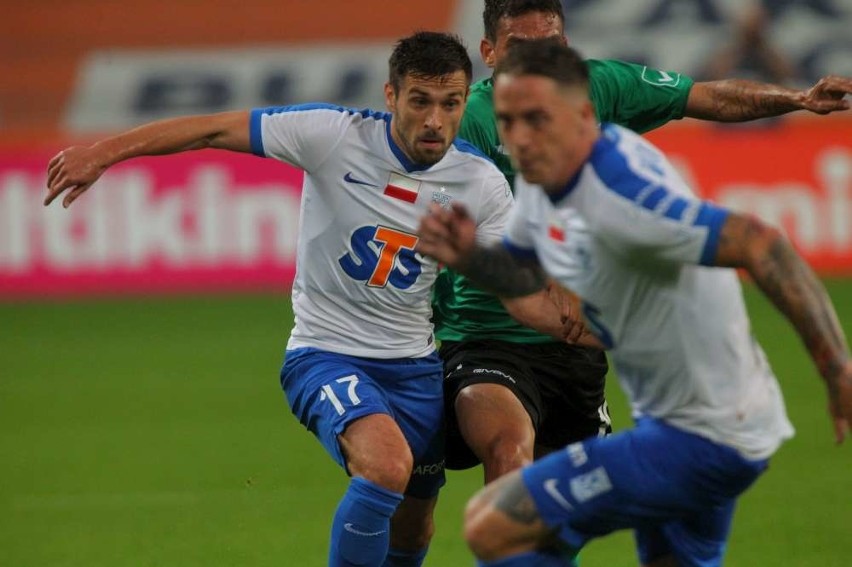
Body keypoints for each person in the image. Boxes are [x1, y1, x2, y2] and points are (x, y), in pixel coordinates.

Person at [43, 31, 516, 567]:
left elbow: (512, 283)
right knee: (385, 466)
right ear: (390, 96)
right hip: (324, 353)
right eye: (420, 101)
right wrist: (103, 153)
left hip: (414, 367)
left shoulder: (481, 182)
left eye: (451, 103)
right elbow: (212, 129)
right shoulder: (333, 135)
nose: (435, 120)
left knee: (413, 527)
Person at [417, 39, 852, 567]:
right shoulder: (540, 178)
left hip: (706, 437)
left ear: (581, 114)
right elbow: (520, 270)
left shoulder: (618, 193)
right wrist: (468, 257)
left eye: (536, 118)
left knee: (497, 525)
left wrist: (837, 370)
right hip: (686, 421)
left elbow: (762, 244)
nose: (520, 138)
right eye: (508, 121)